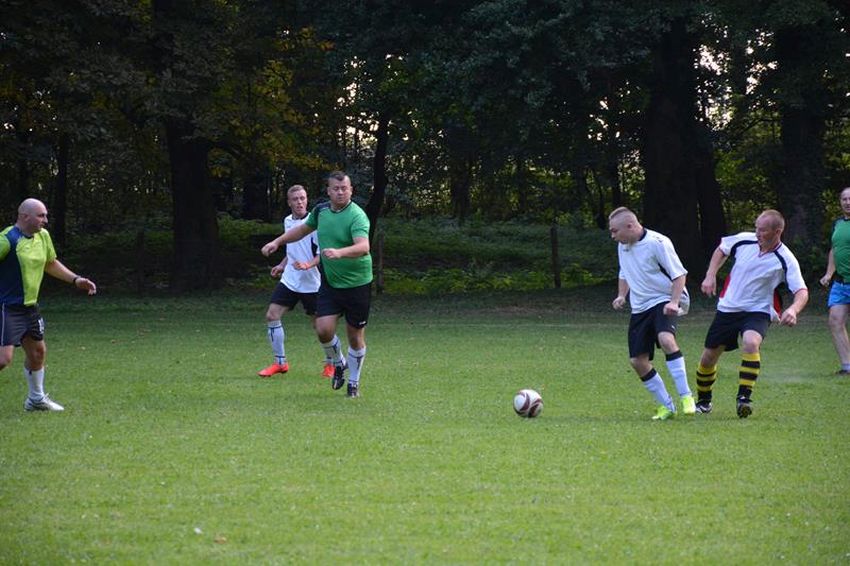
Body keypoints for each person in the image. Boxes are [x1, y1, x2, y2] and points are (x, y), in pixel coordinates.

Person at [261, 171, 372, 398]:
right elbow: (301, 230)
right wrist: (277, 242)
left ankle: (353, 383)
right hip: (330, 284)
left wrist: (340, 253)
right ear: (328, 191)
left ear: (351, 190)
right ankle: (339, 363)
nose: (340, 192)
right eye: (336, 189)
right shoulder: (321, 211)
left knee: (354, 336)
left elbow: (363, 247)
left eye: (344, 188)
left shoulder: (357, 216)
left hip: (357, 284)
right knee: (323, 330)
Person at [697, 209, 808, 418]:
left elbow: (801, 291)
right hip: (728, 308)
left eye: (763, 230)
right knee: (708, 358)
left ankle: (744, 399)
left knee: (751, 342)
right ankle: (704, 402)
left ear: (777, 231)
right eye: (756, 228)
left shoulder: (785, 258)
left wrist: (794, 309)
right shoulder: (744, 240)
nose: (757, 233)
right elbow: (721, 249)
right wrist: (710, 275)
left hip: (758, 310)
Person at [0, 198, 97, 412]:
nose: (45, 220)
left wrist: (76, 280)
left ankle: (36, 400)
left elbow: (50, 263)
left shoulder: (43, 236)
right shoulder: (7, 240)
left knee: (37, 353)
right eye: (41, 215)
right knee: (3, 360)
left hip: (30, 308)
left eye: (45, 215)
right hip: (6, 308)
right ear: (25, 216)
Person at [609, 207, 695, 421]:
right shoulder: (623, 245)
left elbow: (679, 274)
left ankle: (686, 396)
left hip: (664, 298)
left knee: (666, 339)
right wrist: (621, 295)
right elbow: (624, 272)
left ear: (630, 226)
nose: (613, 236)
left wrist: (674, 302)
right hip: (640, 307)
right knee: (637, 361)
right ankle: (667, 406)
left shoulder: (658, 243)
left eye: (614, 231)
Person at [258, 185, 334, 379]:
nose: (300, 202)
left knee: (321, 328)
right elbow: (293, 249)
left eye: (302, 198)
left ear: (307, 200)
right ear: (289, 202)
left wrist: (308, 265)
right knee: (272, 315)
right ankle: (280, 363)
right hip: (290, 280)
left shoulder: (315, 223)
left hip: (312, 283)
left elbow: (322, 255)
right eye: (295, 199)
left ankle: (332, 363)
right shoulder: (288, 221)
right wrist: (282, 264)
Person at [819, 187, 850, 375]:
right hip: (840, 283)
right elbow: (834, 250)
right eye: (844, 199)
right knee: (835, 320)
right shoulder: (837, 224)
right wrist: (829, 274)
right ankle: (847, 366)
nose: (848, 202)